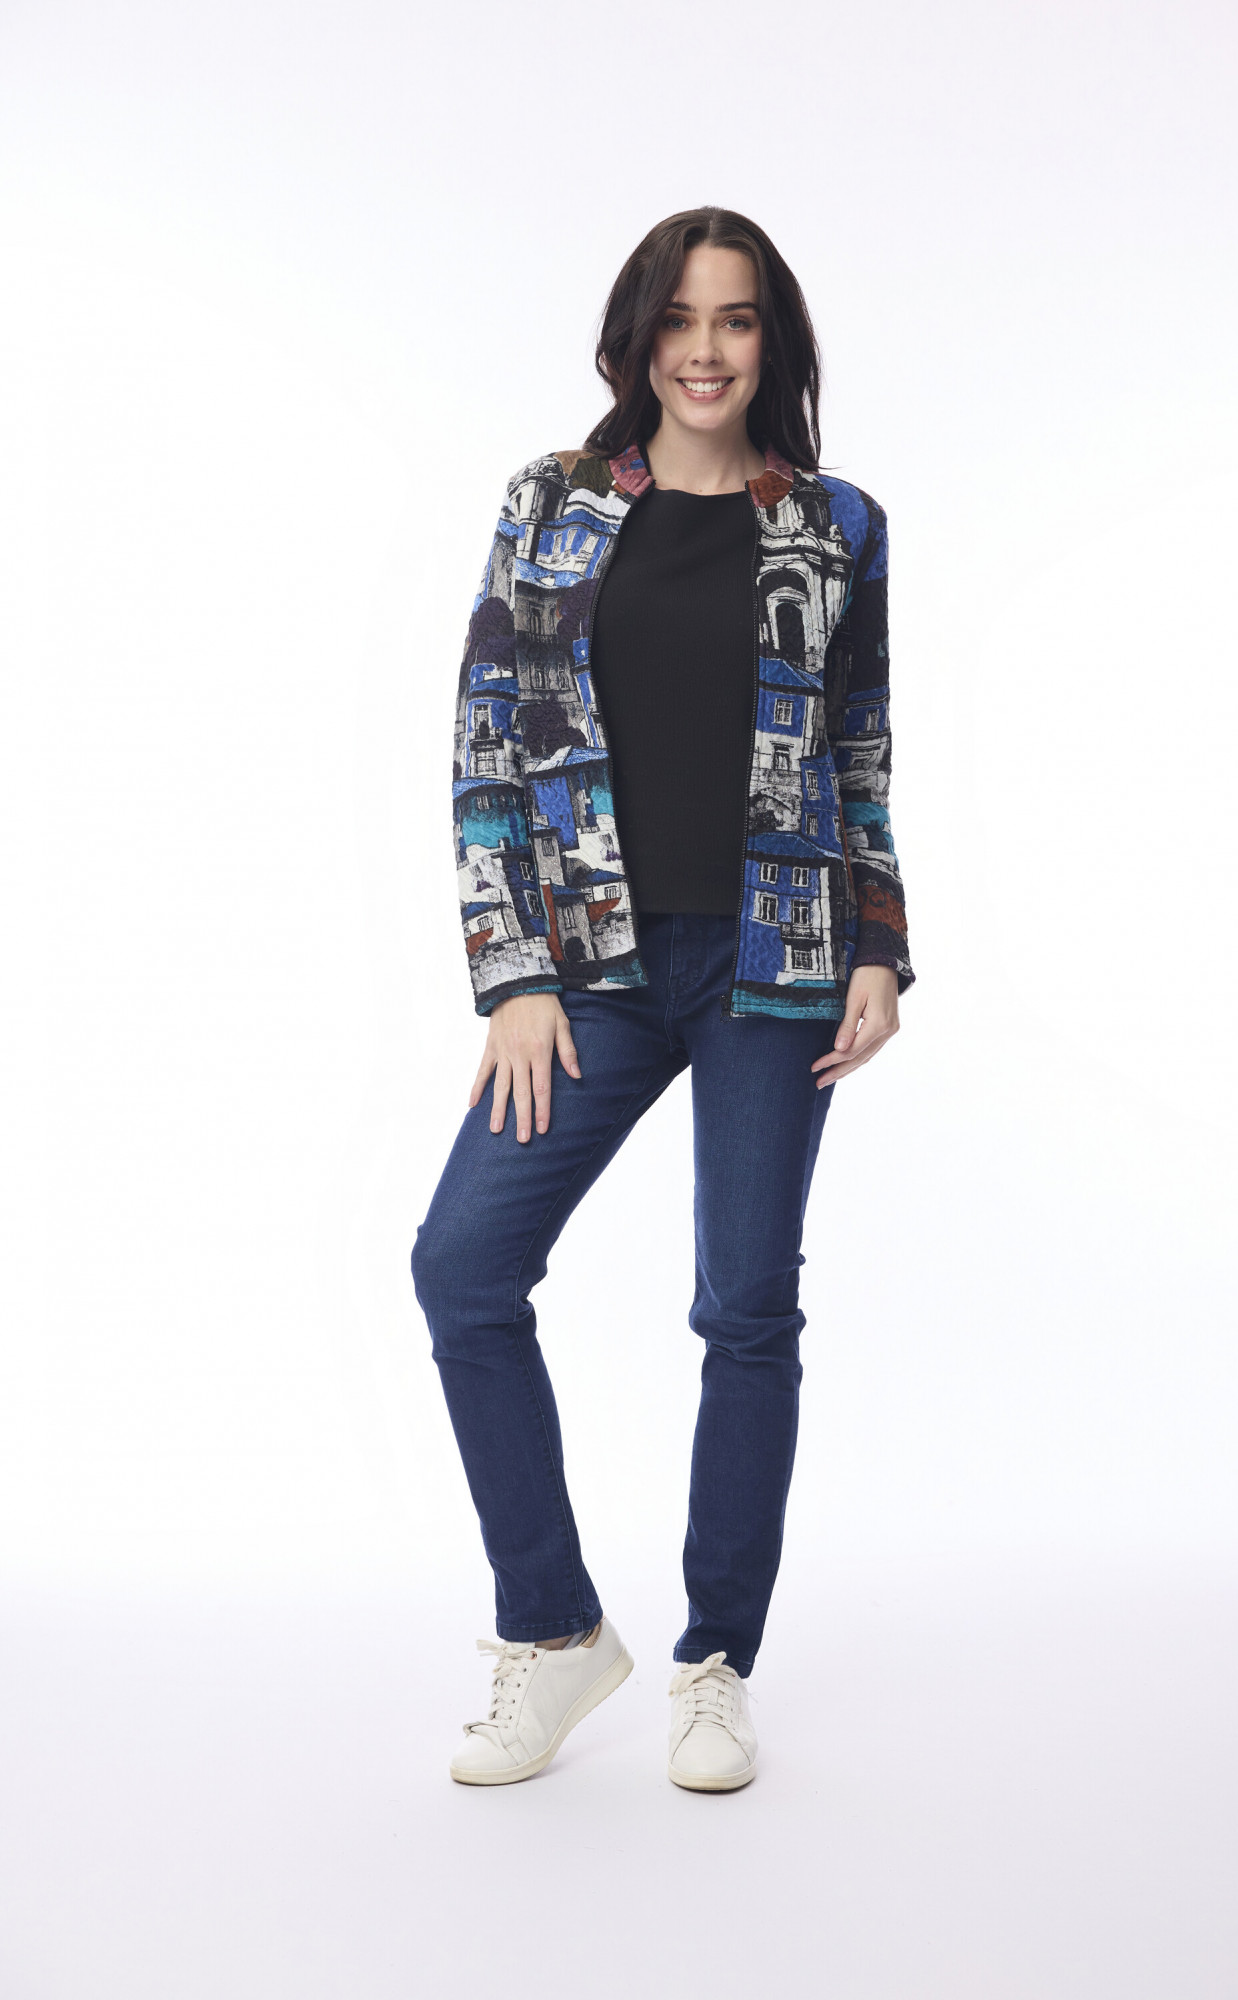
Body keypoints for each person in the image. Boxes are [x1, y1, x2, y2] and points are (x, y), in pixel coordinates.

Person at [410, 205, 913, 1791]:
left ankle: (713, 1665)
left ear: (774, 342)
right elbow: (486, 747)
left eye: (736, 319)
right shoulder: (550, 503)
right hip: (594, 972)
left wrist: (880, 945)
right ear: (637, 338)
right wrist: (512, 976)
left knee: (744, 1309)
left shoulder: (833, 525)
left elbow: (859, 752)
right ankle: (554, 1633)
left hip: (777, 963)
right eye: (680, 319)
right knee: (462, 1265)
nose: (706, 350)